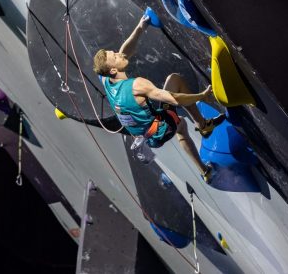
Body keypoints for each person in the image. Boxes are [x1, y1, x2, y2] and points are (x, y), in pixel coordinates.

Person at [93, 15, 224, 183]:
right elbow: (175, 99)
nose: (119, 54)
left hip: (146, 136)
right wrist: (203, 95)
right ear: (112, 70)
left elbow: (125, 51)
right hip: (160, 130)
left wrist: (141, 27)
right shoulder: (137, 85)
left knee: (177, 119)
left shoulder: (106, 80)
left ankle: (205, 171)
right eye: (115, 56)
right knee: (179, 112)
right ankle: (203, 129)